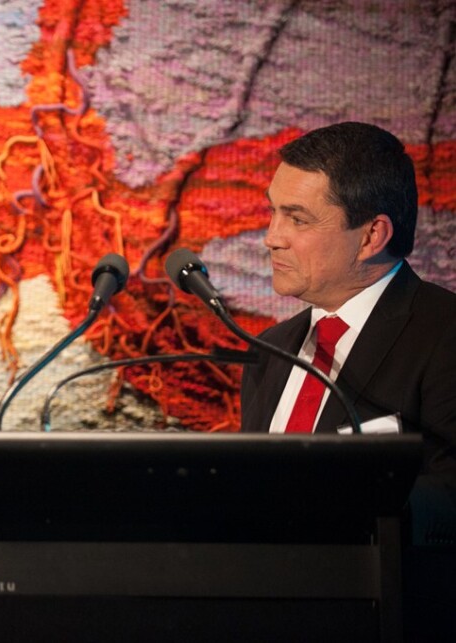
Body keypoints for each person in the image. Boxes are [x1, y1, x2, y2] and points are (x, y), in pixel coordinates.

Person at [240, 121, 455, 640]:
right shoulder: (268, 350)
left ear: (371, 236)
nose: (271, 236)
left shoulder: (443, 331)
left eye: (297, 218)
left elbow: (450, 496)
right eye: (273, 210)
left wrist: (342, 497)